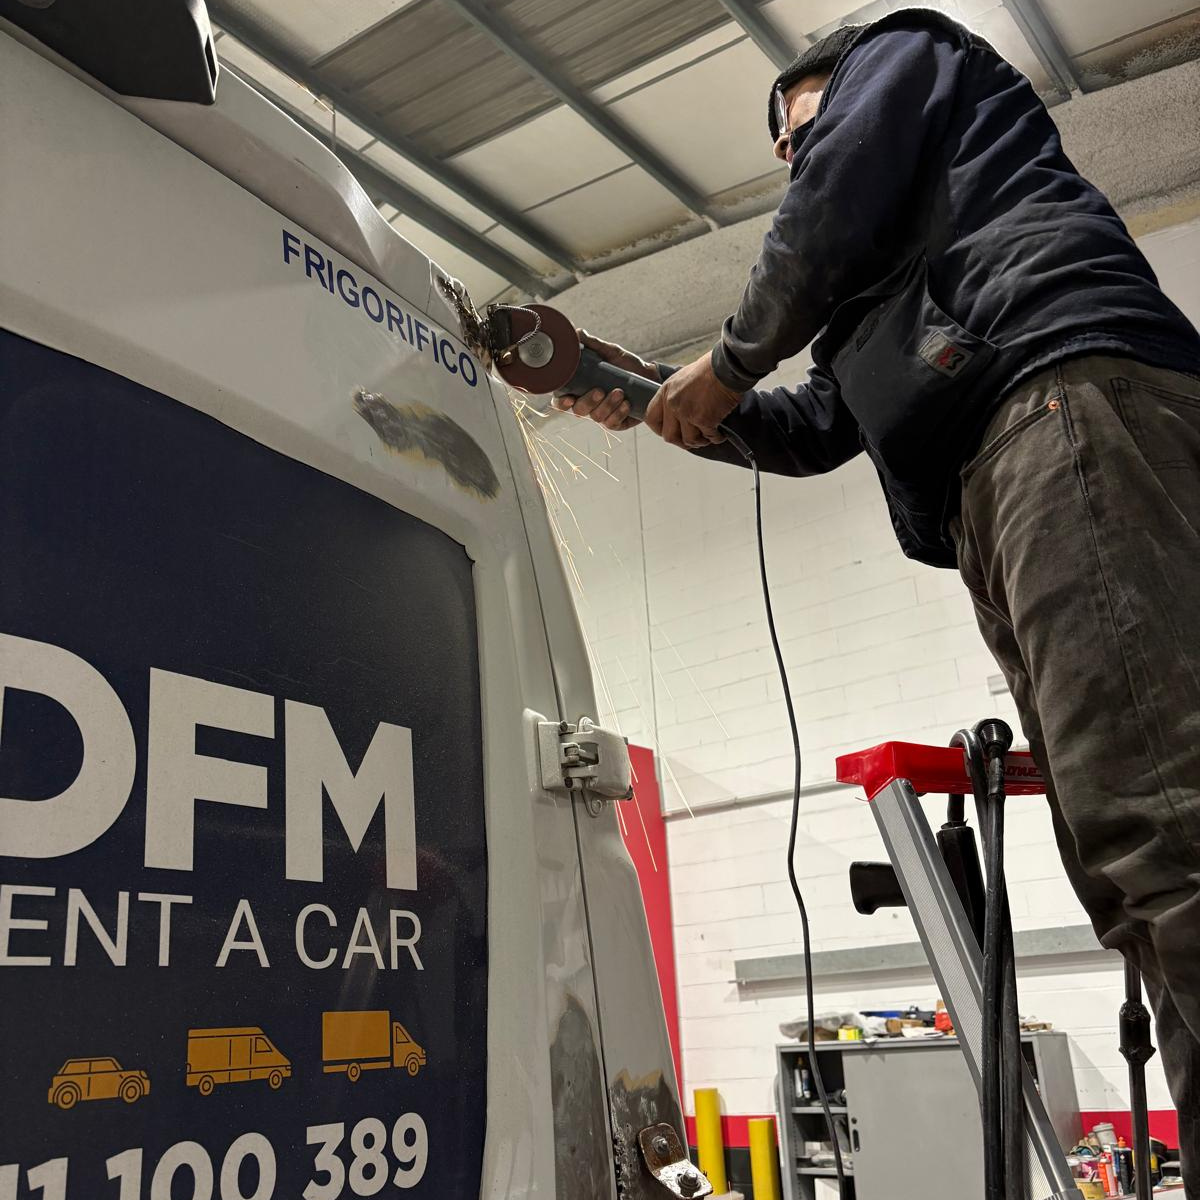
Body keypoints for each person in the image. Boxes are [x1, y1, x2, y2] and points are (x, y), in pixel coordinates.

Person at [554, 9, 1200, 1181]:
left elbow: (834, 185)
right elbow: (812, 431)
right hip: (1000, 473)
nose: (795, 155)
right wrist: (649, 395)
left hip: (1059, 400)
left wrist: (725, 363)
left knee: (1165, 835)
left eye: (801, 126)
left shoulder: (906, 53)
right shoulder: (875, 293)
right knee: (1127, 872)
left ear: (843, 81)